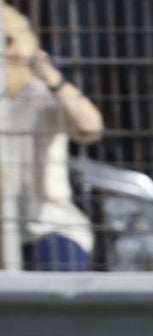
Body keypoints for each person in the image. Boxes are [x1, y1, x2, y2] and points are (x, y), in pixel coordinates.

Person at [2, 2, 104, 272]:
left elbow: (91, 128)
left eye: (7, 41)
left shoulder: (40, 93)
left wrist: (52, 78)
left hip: (50, 225)